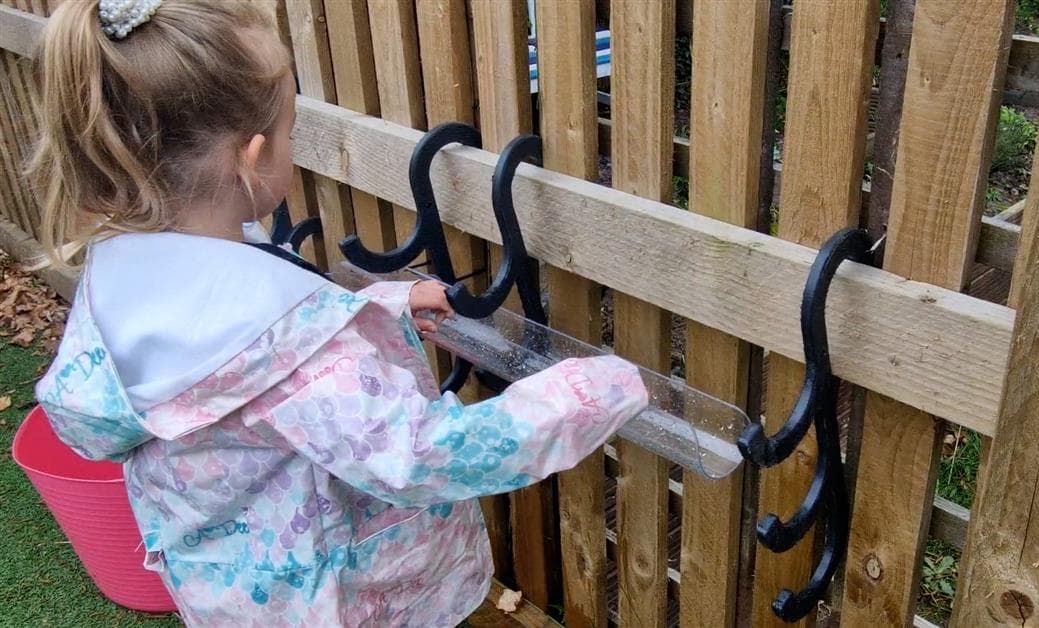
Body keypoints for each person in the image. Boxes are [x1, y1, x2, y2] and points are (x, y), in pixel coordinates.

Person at [29, 1, 648, 625]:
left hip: (236, 597)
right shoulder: (304, 356)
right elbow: (422, 456)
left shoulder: (121, 280)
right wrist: (591, 390)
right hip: (348, 603)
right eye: (291, 131)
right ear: (252, 156)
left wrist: (377, 308)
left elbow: (260, 351)